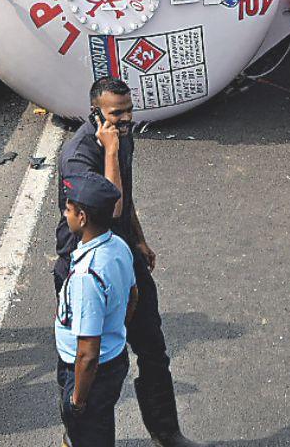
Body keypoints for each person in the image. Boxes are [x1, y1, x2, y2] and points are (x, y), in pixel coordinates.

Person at [54, 78, 204, 447]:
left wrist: (138, 237)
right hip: (89, 263)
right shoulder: (79, 154)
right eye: (116, 113)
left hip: (121, 252)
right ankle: (77, 429)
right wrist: (109, 152)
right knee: (90, 358)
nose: (125, 119)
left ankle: (166, 431)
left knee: (152, 347)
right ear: (96, 113)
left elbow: (127, 198)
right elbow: (111, 205)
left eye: (128, 110)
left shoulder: (124, 134)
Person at [55, 171, 138, 447]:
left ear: (82, 217)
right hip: (113, 360)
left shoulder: (87, 276)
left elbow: (87, 354)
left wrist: (78, 400)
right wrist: (115, 329)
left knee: (89, 433)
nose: (65, 214)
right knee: (98, 428)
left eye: (68, 209)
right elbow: (133, 295)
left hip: (91, 374)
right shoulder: (118, 246)